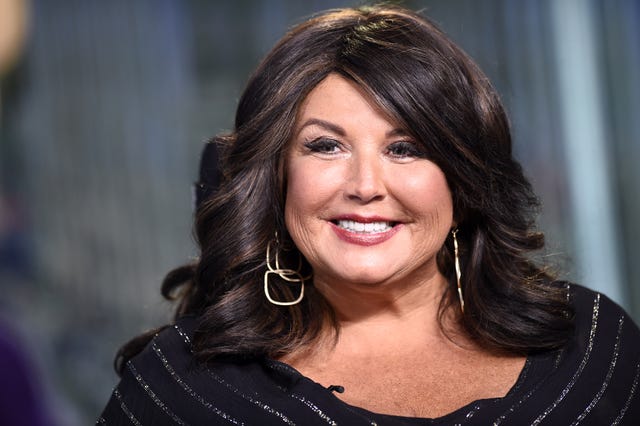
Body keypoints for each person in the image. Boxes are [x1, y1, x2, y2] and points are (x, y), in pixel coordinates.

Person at [99, 5, 640, 425]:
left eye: (405, 148)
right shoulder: (184, 390)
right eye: (325, 147)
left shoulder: (592, 349)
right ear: (277, 176)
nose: (364, 186)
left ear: (462, 179)